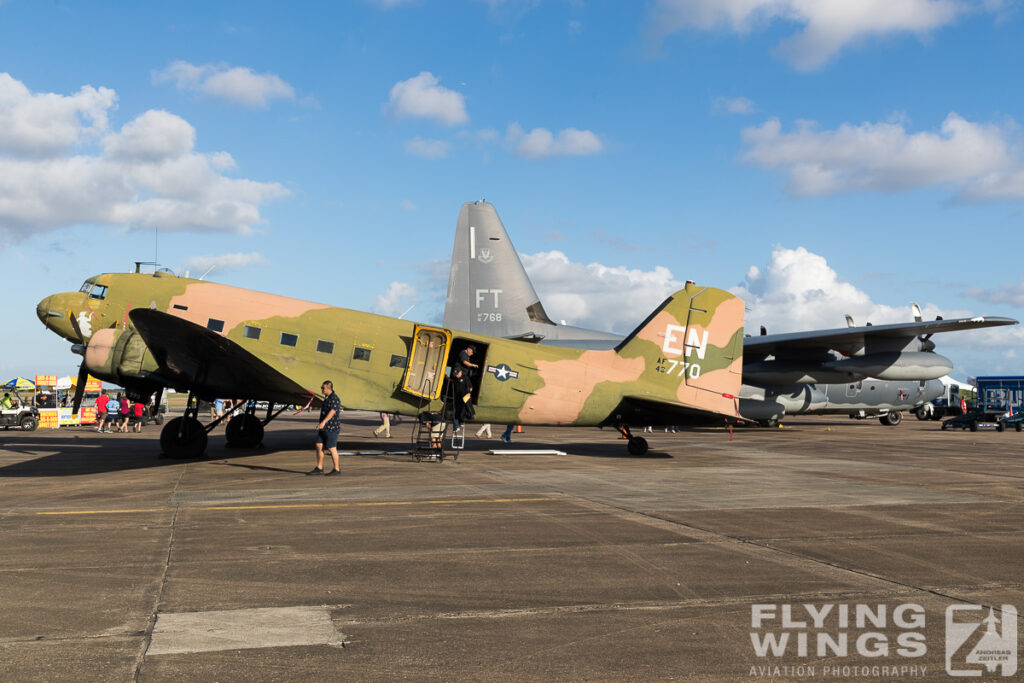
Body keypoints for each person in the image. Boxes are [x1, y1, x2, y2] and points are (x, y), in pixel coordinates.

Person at [309, 380, 342, 476]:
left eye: (323, 388)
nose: (321, 389)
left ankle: (336, 469)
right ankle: (319, 468)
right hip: (323, 427)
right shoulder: (327, 398)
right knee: (319, 445)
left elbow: (333, 411)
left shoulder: (334, 398)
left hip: (331, 427)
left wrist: (323, 422)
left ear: (329, 388)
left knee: (332, 448)